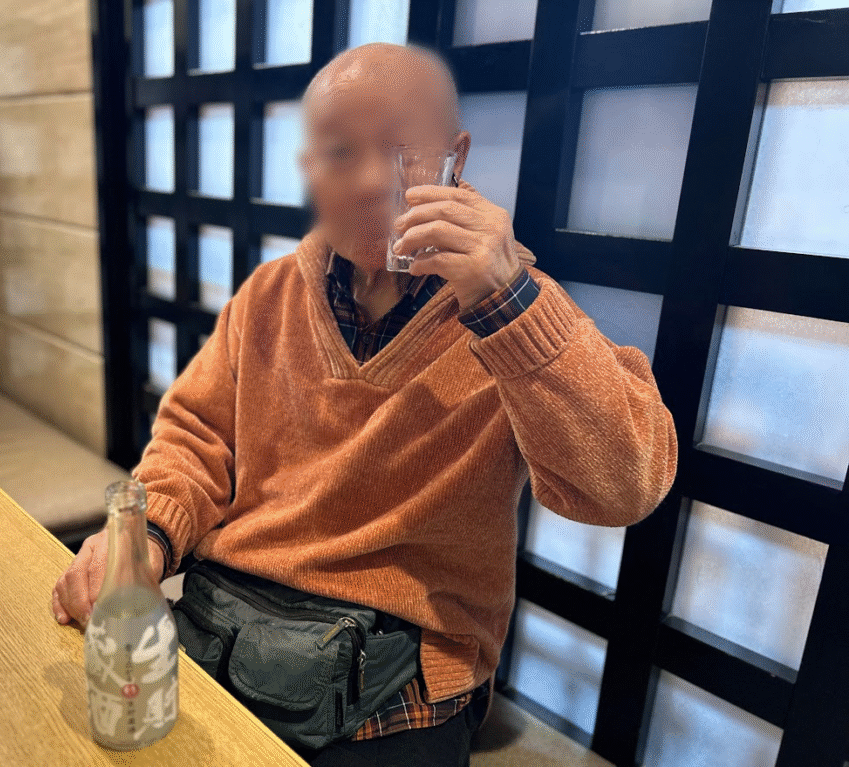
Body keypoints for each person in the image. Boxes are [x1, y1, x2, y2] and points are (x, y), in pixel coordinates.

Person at [52, 41, 678, 766]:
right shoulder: (271, 294)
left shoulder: (513, 309)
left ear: (455, 157)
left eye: (401, 150)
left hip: (405, 664)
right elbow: (196, 440)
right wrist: (146, 539)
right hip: (231, 617)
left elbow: (625, 485)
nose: (375, 180)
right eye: (342, 152)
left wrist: (507, 299)